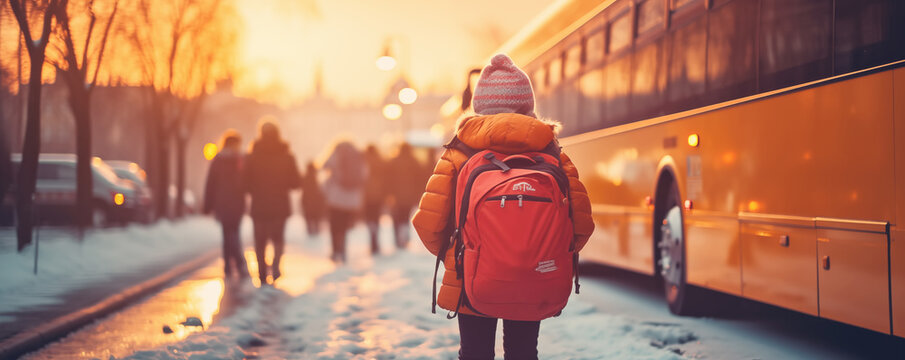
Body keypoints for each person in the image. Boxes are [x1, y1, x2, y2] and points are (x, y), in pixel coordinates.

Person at [412, 54, 594, 360]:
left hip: (471, 277)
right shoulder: (552, 153)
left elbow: (427, 224)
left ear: (479, 105)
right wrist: (547, 253)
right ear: (528, 106)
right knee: (523, 352)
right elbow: (582, 224)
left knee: (475, 352)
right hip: (534, 277)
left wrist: (460, 254)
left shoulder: (459, 152)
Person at [243, 119, 301, 285]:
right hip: (280, 205)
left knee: (260, 241)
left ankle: (261, 273)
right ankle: (275, 268)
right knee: (278, 239)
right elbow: (296, 183)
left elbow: (245, 183)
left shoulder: (252, 156)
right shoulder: (287, 156)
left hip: (259, 205)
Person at [203, 130, 250, 278]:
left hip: (221, 202)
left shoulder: (218, 159)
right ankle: (239, 264)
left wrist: (208, 204)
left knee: (226, 233)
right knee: (235, 232)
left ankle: (228, 266)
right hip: (237, 202)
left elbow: (210, 183)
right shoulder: (241, 159)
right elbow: (248, 180)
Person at [321, 140, 366, 263]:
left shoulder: (337, 152)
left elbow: (324, 165)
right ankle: (343, 251)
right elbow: (364, 175)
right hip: (351, 200)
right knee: (344, 228)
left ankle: (336, 251)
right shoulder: (358, 155)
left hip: (335, 199)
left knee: (335, 227)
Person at [386, 142, 422, 249]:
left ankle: (398, 239)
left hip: (396, 197)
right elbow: (419, 180)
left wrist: (389, 194)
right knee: (406, 217)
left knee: (397, 218)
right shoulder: (414, 162)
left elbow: (388, 180)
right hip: (409, 196)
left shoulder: (393, 161)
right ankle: (405, 238)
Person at [362, 145, 387, 254]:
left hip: (367, 196)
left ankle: (372, 240)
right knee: (376, 219)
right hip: (378, 195)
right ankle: (375, 242)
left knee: (370, 219)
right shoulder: (380, 161)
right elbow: (386, 179)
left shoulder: (364, 161)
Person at [300, 161, 326, 236]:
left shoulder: (304, 177)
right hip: (314, 202)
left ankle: (310, 232)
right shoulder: (314, 178)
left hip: (306, 202)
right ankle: (315, 232)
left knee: (309, 218)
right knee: (315, 218)